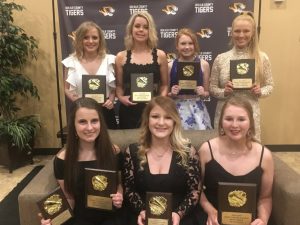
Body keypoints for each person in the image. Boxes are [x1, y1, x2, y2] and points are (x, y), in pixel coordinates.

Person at [40, 97, 123, 225]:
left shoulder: (114, 152)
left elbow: (118, 184)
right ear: (73, 125)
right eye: (82, 122)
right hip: (80, 219)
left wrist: (119, 195)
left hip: (111, 217)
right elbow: (68, 197)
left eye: (94, 121)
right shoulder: (62, 160)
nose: (90, 128)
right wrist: (54, 218)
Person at [122, 96, 200, 225]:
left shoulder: (188, 152)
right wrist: (141, 211)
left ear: (175, 121)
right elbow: (129, 190)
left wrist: (179, 214)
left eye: (168, 117)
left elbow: (194, 191)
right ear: (147, 120)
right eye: (155, 116)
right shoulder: (132, 151)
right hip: (142, 218)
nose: (161, 122)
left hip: (179, 219)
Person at [197, 96, 274, 225]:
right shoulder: (206, 150)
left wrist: (263, 220)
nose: (234, 125)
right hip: (212, 219)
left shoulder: (264, 156)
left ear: (250, 122)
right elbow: (197, 191)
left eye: (241, 119)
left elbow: (265, 197)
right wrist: (210, 211)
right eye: (228, 119)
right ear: (221, 122)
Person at [209, 11, 274, 141]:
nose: (241, 35)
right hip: (226, 114)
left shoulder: (262, 58)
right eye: (237, 31)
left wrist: (259, 91)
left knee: (249, 152)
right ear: (231, 32)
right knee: (223, 150)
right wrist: (224, 92)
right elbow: (212, 88)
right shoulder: (221, 58)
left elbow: (270, 86)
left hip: (250, 113)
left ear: (253, 33)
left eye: (246, 31)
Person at [115, 11, 169, 129]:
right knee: (129, 145)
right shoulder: (120, 57)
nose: (141, 30)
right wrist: (121, 98)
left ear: (150, 31)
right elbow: (119, 86)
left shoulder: (160, 55)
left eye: (145, 27)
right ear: (131, 29)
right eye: (137, 26)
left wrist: (158, 102)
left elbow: (164, 85)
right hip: (128, 111)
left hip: (153, 112)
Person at [62, 21, 118, 129]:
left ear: (100, 40)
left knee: (109, 144)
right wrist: (80, 102)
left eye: (95, 37)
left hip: (105, 111)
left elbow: (114, 87)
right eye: (86, 37)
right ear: (79, 40)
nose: (90, 41)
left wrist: (111, 100)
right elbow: (67, 89)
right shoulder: (70, 62)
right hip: (81, 111)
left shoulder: (110, 60)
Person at [168, 28, 212, 130]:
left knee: (199, 141)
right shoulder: (170, 66)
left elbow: (207, 93)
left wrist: (202, 93)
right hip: (176, 109)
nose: (187, 47)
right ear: (177, 46)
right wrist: (172, 94)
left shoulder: (204, 64)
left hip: (198, 110)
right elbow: (166, 94)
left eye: (190, 43)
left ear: (195, 45)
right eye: (183, 44)